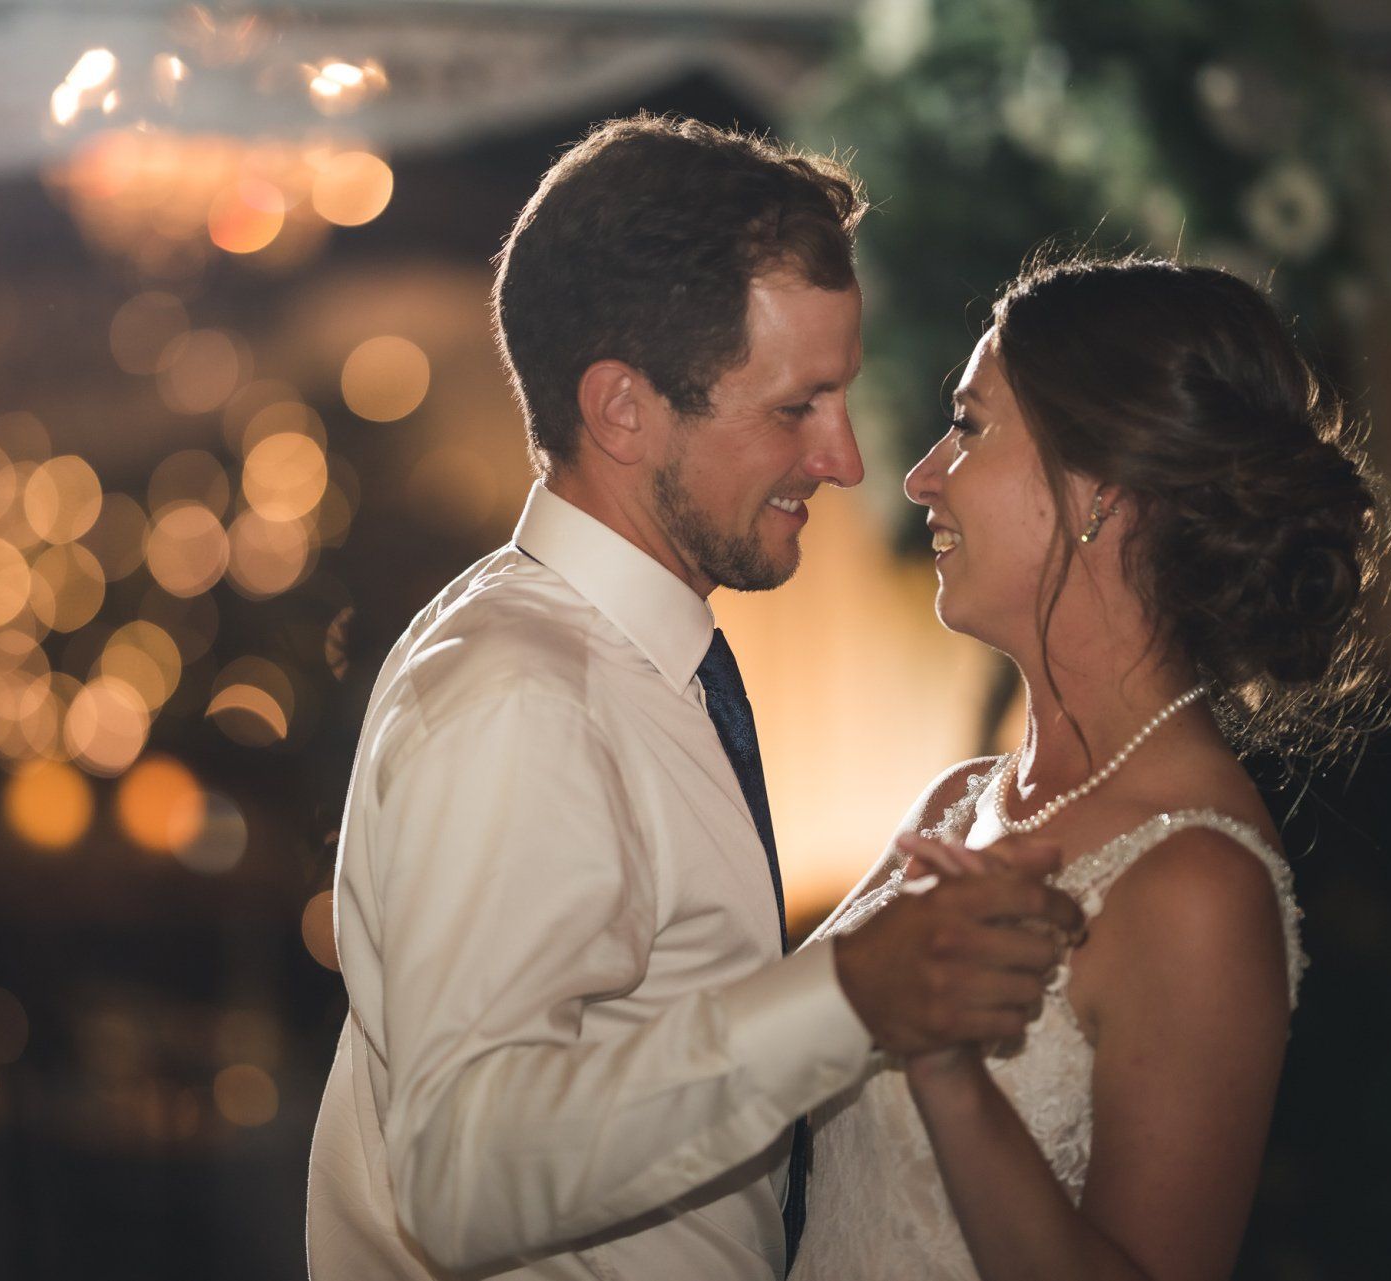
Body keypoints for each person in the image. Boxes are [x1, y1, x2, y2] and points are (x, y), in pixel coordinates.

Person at [305, 115, 1085, 1281]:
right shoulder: (521, 695)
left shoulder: (635, 671)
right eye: (793, 408)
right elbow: (460, 1176)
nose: (846, 459)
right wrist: (848, 998)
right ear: (622, 409)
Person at [790, 255, 1391, 1281]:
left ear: (1102, 491)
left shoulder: (1198, 885)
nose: (923, 474)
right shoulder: (955, 803)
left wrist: (947, 1068)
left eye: (972, 425)